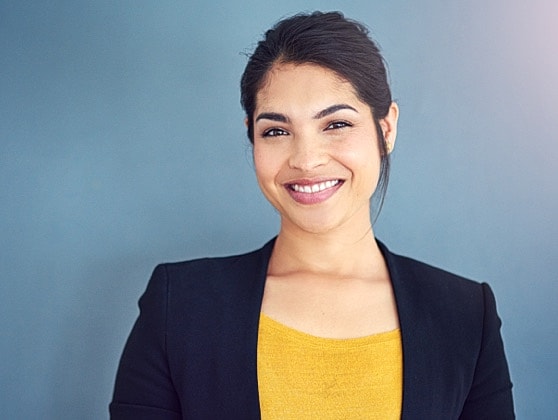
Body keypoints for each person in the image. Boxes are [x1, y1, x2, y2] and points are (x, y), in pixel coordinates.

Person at [110, 11, 514, 419]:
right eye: (277, 131)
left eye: (336, 124)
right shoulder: (179, 305)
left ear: (386, 129)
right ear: (251, 134)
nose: (306, 160)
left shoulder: (465, 316)